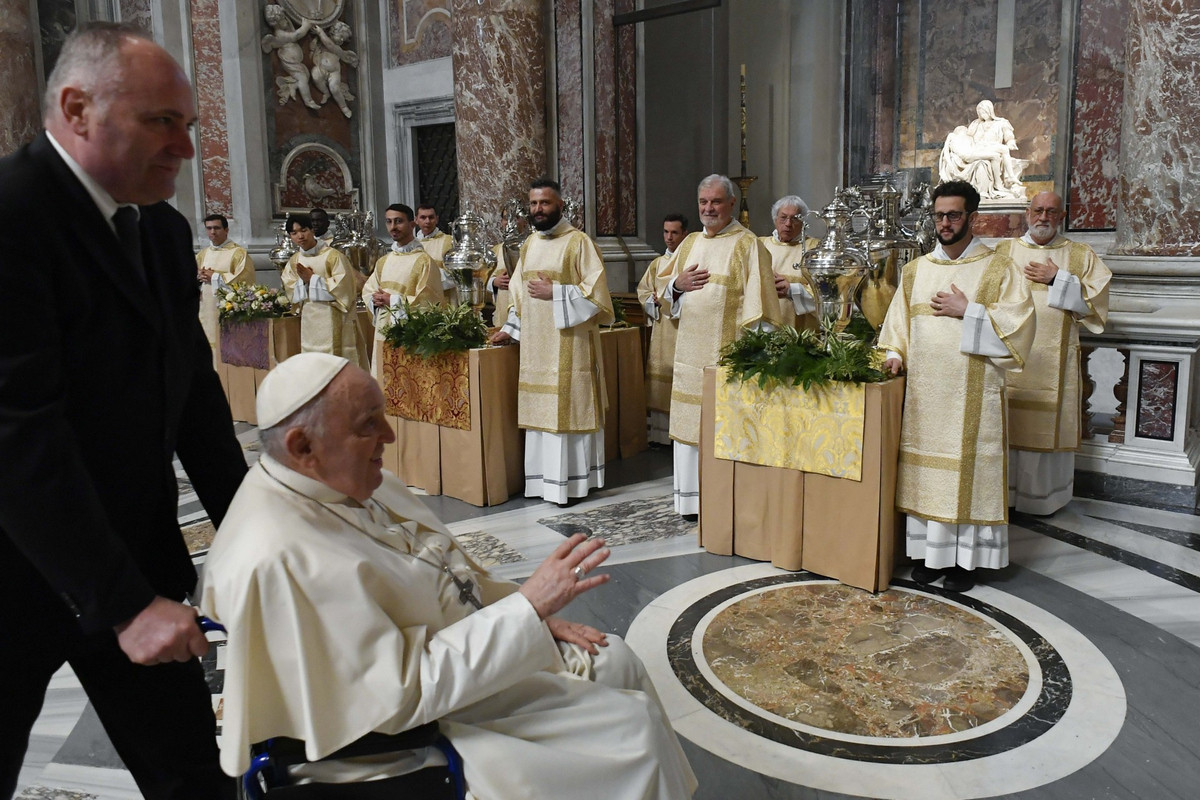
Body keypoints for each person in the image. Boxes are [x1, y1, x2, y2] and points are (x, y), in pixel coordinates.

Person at [199, 354, 697, 798]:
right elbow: (395, 696)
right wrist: (526, 611)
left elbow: (451, 575)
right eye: (368, 424)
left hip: (459, 661)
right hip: (408, 733)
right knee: (635, 732)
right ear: (302, 444)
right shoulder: (279, 557)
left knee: (617, 659)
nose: (389, 437)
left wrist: (533, 617)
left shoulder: (346, 479)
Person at [0, 23, 249, 799]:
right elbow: (17, 432)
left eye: (189, 126)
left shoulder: (164, 233)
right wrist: (123, 604)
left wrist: (252, 531)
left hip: (136, 560)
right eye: (161, 122)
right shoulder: (11, 213)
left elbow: (195, 400)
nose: (184, 147)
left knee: (192, 779)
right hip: (17, 575)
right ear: (77, 107)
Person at [878, 180, 1035, 592]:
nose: (944, 223)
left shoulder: (999, 267)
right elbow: (897, 327)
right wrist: (893, 353)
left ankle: (965, 561)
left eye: (953, 215)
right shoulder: (916, 271)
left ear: (972, 217)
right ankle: (930, 556)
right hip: (925, 399)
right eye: (939, 216)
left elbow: (1020, 327)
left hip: (973, 395)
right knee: (927, 475)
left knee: (965, 472)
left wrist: (971, 311)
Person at [662, 174, 782, 517]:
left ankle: (719, 503)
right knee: (688, 428)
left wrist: (754, 360)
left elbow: (760, 309)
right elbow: (665, 295)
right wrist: (677, 286)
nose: (708, 208)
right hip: (688, 357)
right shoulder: (688, 245)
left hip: (726, 360)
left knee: (721, 430)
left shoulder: (747, 245)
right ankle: (690, 501)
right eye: (703, 202)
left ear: (732, 204)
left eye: (716, 201)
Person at [489, 178, 614, 504]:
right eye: (533, 204)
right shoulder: (530, 244)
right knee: (540, 412)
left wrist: (556, 293)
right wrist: (511, 328)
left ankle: (572, 485)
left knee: (568, 411)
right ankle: (543, 483)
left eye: (544, 203)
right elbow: (519, 293)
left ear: (560, 205)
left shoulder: (579, 243)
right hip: (536, 348)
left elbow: (598, 298)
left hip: (570, 346)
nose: (537, 210)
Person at [995, 191, 1111, 514]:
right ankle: (1004, 495)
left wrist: (1057, 278)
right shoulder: (1004, 252)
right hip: (1012, 360)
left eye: (1051, 211)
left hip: (1054, 364)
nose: (1043, 217)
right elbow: (984, 297)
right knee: (1008, 424)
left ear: (1062, 217)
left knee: (1046, 428)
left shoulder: (1078, 255)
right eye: (1038, 210)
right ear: (1027, 213)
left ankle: (1042, 501)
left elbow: (1097, 303)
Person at [361, 203, 442, 379]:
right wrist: (374, 300)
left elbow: (430, 301)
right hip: (383, 332)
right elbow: (369, 290)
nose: (393, 227)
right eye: (389, 222)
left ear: (412, 224)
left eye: (399, 221)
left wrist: (394, 301)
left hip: (410, 336)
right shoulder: (384, 261)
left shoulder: (424, 261)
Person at [281, 212, 368, 368]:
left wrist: (312, 280)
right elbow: (290, 288)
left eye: (303, 230)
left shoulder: (333, 256)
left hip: (334, 319)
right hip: (309, 322)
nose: (300, 236)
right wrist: (305, 283)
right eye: (294, 233)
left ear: (312, 230)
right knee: (312, 362)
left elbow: (345, 288)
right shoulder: (295, 260)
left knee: (334, 363)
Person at [636, 214, 688, 445]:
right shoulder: (657, 264)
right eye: (666, 232)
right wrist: (653, 302)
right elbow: (643, 291)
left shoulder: (689, 263)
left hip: (682, 329)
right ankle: (659, 435)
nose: (669, 237)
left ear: (685, 234)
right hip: (661, 329)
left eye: (674, 232)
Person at [759, 195, 820, 331]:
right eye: (783, 217)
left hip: (802, 332)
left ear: (803, 222)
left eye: (795, 218)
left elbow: (826, 295)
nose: (788, 224)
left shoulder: (814, 249)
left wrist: (792, 290)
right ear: (775, 220)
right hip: (764, 329)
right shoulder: (760, 245)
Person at [196, 213, 254, 352]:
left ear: (226, 230)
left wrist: (215, 277)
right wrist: (199, 277)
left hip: (227, 307)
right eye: (209, 228)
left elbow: (245, 279)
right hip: (206, 306)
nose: (212, 232)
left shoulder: (238, 253)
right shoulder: (203, 254)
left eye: (217, 228)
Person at [261, 4, 318, 110]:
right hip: (289, 60)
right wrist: (305, 26)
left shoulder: (285, 27)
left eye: (285, 18)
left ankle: (292, 86)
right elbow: (296, 36)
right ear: (276, 23)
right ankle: (308, 101)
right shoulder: (280, 33)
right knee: (302, 78)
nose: (286, 21)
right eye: (283, 19)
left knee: (305, 74)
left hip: (295, 60)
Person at [415, 203, 455, 301]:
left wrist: (426, 276)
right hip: (418, 299)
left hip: (443, 298)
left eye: (431, 217)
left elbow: (455, 275)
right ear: (416, 220)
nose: (427, 221)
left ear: (436, 219)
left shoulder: (449, 242)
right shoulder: (412, 245)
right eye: (423, 217)